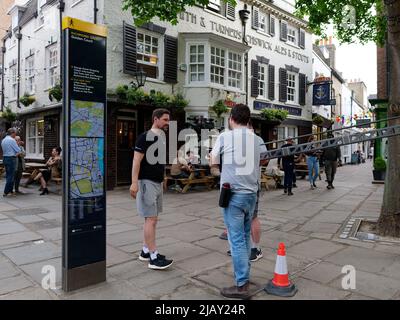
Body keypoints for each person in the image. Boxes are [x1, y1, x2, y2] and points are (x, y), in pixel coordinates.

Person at [210, 104, 266, 299]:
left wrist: (222, 173)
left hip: (233, 195)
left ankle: (241, 285)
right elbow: (263, 160)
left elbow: (213, 161)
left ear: (232, 118)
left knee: (236, 241)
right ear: (248, 119)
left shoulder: (225, 137)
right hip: (252, 194)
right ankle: (245, 276)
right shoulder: (257, 139)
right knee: (244, 236)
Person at [130, 108, 173, 270]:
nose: (167, 123)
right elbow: (136, 161)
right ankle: (153, 258)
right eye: (165, 120)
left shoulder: (161, 137)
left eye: (168, 120)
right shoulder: (144, 137)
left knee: (152, 219)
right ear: (156, 119)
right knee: (151, 219)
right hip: (146, 182)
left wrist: (163, 178)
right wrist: (134, 183)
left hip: (156, 182)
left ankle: (145, 250)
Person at [1, 128, 21, 197]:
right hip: (11, 158)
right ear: (12, 133)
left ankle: (10, 191)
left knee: (8, 175)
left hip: (5, 158)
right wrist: (18, 145)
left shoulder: (3, 140)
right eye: (15, 133)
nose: (15, 134)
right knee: (11, 176)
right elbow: (18, 150)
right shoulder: (12, 140)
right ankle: (6, 192)